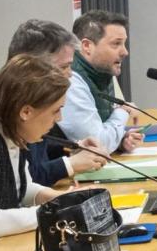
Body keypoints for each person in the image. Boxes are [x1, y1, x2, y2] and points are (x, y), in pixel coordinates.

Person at [0, 54, 86, 240]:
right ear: (26, 112)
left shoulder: (10, 132)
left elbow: (22, 189)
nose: (59, 119)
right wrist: (55, 212)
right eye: (56, 110)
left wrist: (60, 199)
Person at [3, 19, 104, 186]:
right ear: (32, 65)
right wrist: (68, 165)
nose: (70, 74)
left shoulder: (27, 97)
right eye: (64, 67)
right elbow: (21, 182)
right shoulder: (5, 105)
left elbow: (36, 148)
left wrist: (72, 147)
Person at [61, 10, 142, 154]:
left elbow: (101, 128)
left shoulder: (101, 72)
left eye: (124, 43)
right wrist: (123, 111)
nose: (125, 52)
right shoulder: (71, 81)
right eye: (116, 44)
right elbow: (97, 146)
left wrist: (121, 140)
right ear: (87, 46)